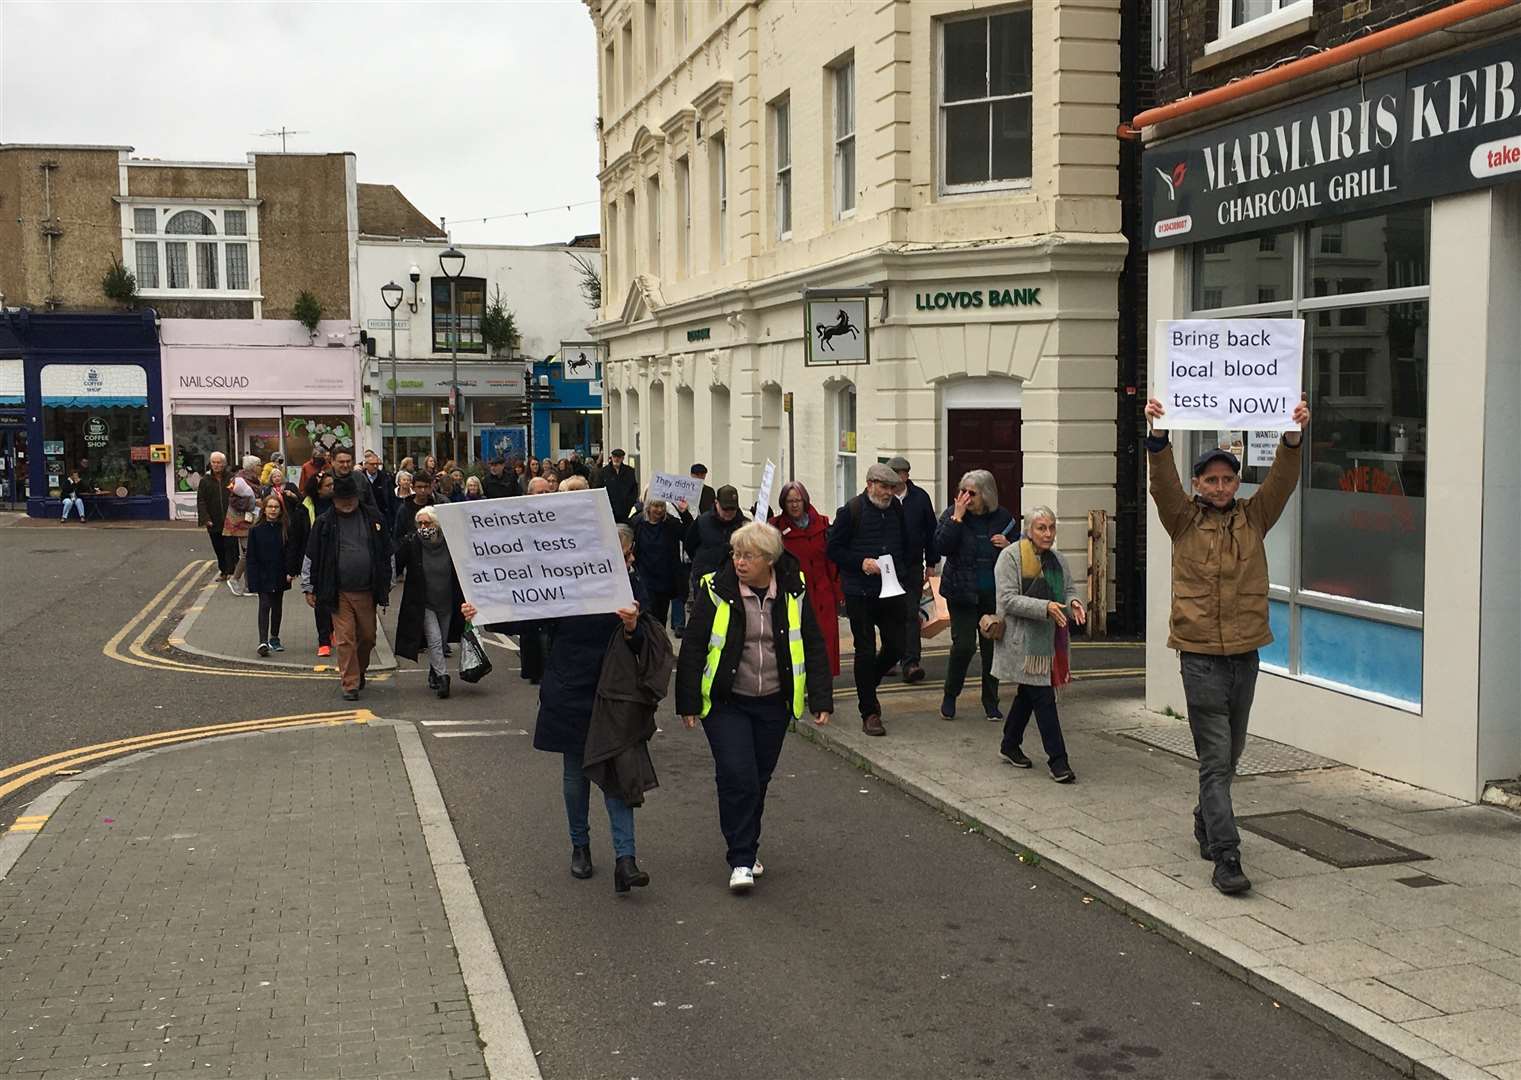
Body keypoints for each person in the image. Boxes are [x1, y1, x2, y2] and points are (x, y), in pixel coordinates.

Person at [1145, 394, 1310, 896]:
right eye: (1210, 479)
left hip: (1245, 655)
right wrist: (1156, 438)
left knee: (1232, 755)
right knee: (1215, 759)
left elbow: (1282, 482)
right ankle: (1227, 856)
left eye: (1227, 479)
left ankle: (1205, 817)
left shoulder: (1253, 517)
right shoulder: (1182, 520)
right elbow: (1162, 483)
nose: (1219, 486)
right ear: (1198, 484)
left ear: (1236, 482)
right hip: (1197, 657)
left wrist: (1292, 437)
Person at [461, 526, 652, 893]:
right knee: (575, 774)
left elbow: (646, 638)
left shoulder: (631, 585)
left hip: (613, 690)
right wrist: (481, 610)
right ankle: (579, 846)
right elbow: (526, 616)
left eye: (624, 553)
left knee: (618, 771)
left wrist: (632, 627)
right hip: (570, 685)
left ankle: (625, 859)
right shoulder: (568, 580)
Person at [676, 522, 833, 891]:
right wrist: (688, 701)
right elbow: (695, 645)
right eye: (736, 553)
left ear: (769, 560)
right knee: (738, 773)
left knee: (757, 779)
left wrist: (821, 698)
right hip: (727, 701)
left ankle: (746, 843)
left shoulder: (793, 590)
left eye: (748, 555)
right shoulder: (717, 589)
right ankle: (741, 858)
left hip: (774, 703)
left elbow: (812, 642)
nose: (739, 561)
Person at [991, 506, 1085, 783]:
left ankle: (1009, 744)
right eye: (1041, 528)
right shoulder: (1010, 557)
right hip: (1024, 643)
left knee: (1028, 695)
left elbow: (1068, 590)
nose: (1048, 533)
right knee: (1043, 698)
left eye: (1052, 527)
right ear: (1029, 530)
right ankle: (1059, 761)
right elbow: (1007, 599)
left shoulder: (1057, 559)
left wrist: (1075, 603)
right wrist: (1045, 607)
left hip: (1049, 641)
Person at [826, 463, 909, 737]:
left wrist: (909, 575)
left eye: (892, 488)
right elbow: (833, 550)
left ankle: (867, 684)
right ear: (870, 484)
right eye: (884, 487)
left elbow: (905, 543)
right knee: (864, 650)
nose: (888, 493)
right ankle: (869, 712)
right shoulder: (851, 511)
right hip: (859, 591)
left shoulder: (896, 509)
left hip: (891, 589)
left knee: (898, 646)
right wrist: (861, 562)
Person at [302, 473, 392, 701]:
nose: (347, 502)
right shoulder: (324, 522)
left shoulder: (373, 517)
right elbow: (311, 556)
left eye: (350, 497)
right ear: (333, 499)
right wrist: (308, 586)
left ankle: (359, 671)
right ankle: (349, 683)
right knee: (344, 639)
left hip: (367, 590)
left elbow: (386, 551)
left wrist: (387, 580)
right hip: (338, 591)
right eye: (342, 498)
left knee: (368, 637)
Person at [934, 469, 1015, 722]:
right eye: (963, 491)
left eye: (972, 493)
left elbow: (1021, 552)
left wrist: (1009, 545)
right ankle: (950, 695)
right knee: (965, 646)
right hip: (961, 591)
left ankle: (990, 702)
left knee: (992, 648)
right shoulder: (952, 514)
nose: (965, 497)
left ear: (986, 495)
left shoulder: (1002, 517)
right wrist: (956, 519)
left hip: (992, 593)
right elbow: (941, 546)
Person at [769, 481, 843, 676]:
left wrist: (838, 593)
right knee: (797, 640)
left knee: (825, 639)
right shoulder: (775, 527)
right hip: (794, 593)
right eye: (789, 501)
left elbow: (832, 562)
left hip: (822, 593)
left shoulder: (823, 524)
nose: (794, 505)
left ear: (805, 501)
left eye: (798, 500)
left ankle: (822, 683)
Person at [394, 506, 465, 699]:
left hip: (447, 601)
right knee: (433, 640)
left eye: (428, 523)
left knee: (441, 642)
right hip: (424, 602)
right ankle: (443, 678)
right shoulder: (412, 542)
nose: (424, 527)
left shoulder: (451, 542)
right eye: (421, 523)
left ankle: (434, 671)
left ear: (438, 524)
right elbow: (396, 564)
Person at [887, 455, 939, 683]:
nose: (898, 478)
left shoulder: (920, 498)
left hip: (912, 565)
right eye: (895, 473)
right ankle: (889, 658)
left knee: (910, 614)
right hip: (886, 566)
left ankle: (911, 663)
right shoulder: (882, 497)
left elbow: (931, 532)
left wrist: (932, 563)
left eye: (902, 473)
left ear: (907, 475)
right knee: (888, 615)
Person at [246, 493, 295, 657]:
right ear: (264, 510)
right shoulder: (255, 530)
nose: (273, 510)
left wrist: (290, 571)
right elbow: (251, 557)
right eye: (270, 507)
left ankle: (274, 637)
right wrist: (251, 579)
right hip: (262, 573)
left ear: (281, 510)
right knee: (264, 604)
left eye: (276, 507)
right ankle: (263, 641)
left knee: (277, 606)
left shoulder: (285, 528)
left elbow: (290, 552)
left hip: (280, 572)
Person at [632, 495, 691, 627]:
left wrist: (685, 513)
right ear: (648, 507)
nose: (659, 510)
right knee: (647, 619)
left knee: (660, 620)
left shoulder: (671, 523)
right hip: (645, 579)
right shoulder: (638, 523)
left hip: (664, 580)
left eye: (662, 506)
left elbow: (689, 534)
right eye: (656, 506)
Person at [684, 484, 747, 607]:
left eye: (732, 509)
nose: (729, 513)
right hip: (706, 580)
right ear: (716, 503)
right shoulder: (703, 521)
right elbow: (690, 544)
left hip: (734, 583)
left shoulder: (744, 525)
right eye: (725, 509)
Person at [301, 472, 336, 658]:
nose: (332, 488)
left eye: (333, 484)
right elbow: (299, 536)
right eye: (328, 485)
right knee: (321, 603)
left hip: (336, 558)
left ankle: (331, 631)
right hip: (316, 557)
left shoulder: (338, 505)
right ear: (318, 489)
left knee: (335, 602)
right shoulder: (308, 506)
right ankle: (323, 641)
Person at [226, 455, 262, 597]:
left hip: (250, 520)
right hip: (240, 521)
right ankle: (234, 578)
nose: (261, 467)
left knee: (250, 552)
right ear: (252, 466)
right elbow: (233, 501)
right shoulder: (238, 480)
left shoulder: (253, 480)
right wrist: (254, 503)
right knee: (248, 553)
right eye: (259, 465)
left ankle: (248, 586)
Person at [196, 452, 236, 580]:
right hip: (213, 520)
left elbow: (239, 496)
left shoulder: (231, 478)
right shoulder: (205, 481)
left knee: (231, 546)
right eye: (214, 462)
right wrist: (205, 518)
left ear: (224, 464)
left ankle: (232, 571)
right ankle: (223, 571)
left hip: (230, 518)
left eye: (219, 462)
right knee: (218, 547)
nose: (216, 465)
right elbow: (201, 501)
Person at [331, 448, 380, 520]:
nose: (345, 465)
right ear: (332, 462)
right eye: (341, 462)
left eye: (348, 461)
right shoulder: (326, 479)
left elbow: (371, 503)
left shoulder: (360, 478)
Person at [393, 469, 436, 546]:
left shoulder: (435, 506)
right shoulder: (404, 509)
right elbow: (398, 538)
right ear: (413, 487)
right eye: (419, 487)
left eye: (426, 487)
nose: (422, 490)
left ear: (430, 487)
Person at [599, 448, 639, 523]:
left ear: (622, 458)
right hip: (609, 510)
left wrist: (629, 502)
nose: (616, 459)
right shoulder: (603, 472)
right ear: (611, 457)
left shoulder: (629, 471)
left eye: (619, 457)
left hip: (625, 512)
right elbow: (599, 488)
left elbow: (634, 488)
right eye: (614, 457)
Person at [362, 450, 393, 525]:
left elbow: (391, 499)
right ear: (365, 465)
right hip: (365, 517)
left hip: (383, 516)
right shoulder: (361, 478)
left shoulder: (385, 478)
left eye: (377, 464)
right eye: (372, 464)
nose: (375, 466)